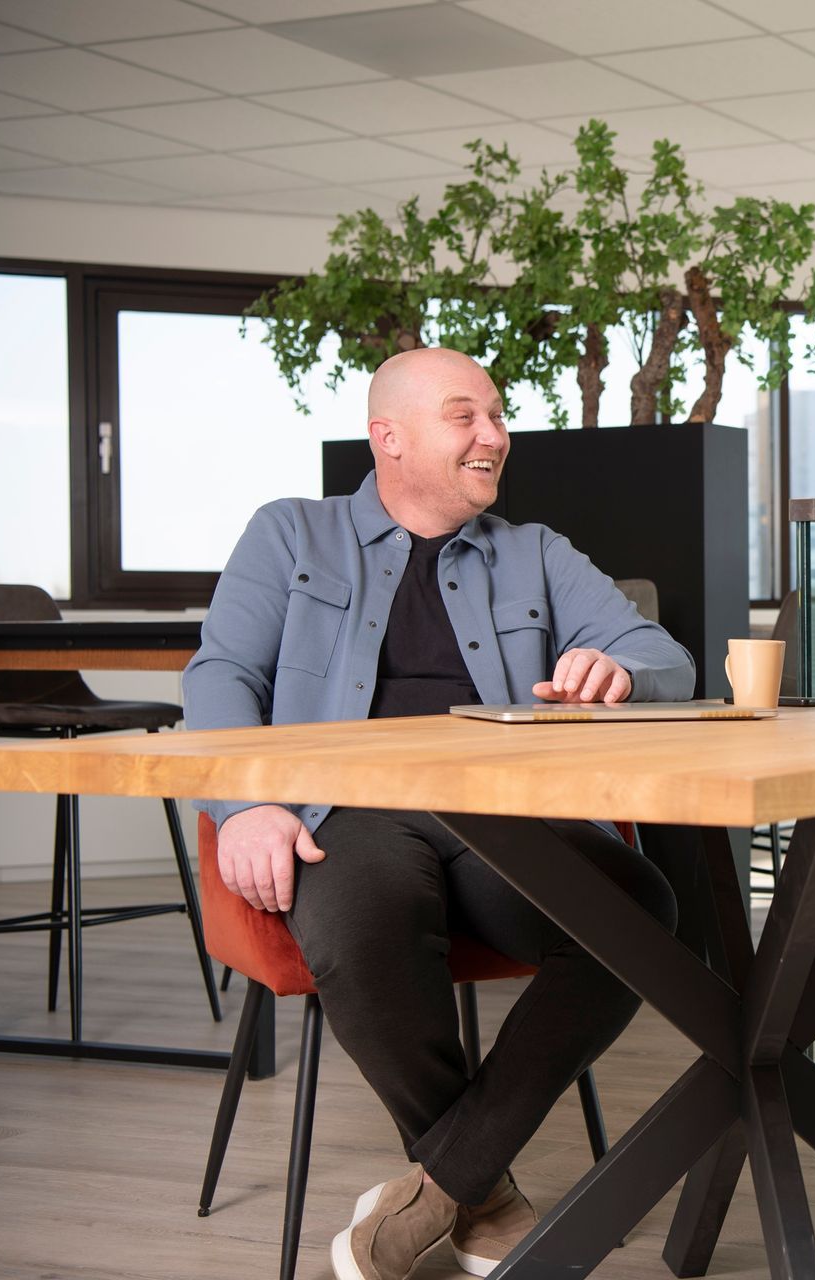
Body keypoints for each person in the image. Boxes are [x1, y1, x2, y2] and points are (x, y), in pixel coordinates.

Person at [184, 347, 696, 1280]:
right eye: (466, 416)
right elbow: (221, 676)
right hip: (348, 811)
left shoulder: (532, 551)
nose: (494, 436)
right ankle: (482, 1191)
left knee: (636, 913)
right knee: (358, 912)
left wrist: (623, 669)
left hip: (507, 817)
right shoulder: (292, 535)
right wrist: (245, 802)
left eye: (497, 416)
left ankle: (441, 1187)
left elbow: (665, 654)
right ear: (390, 437)